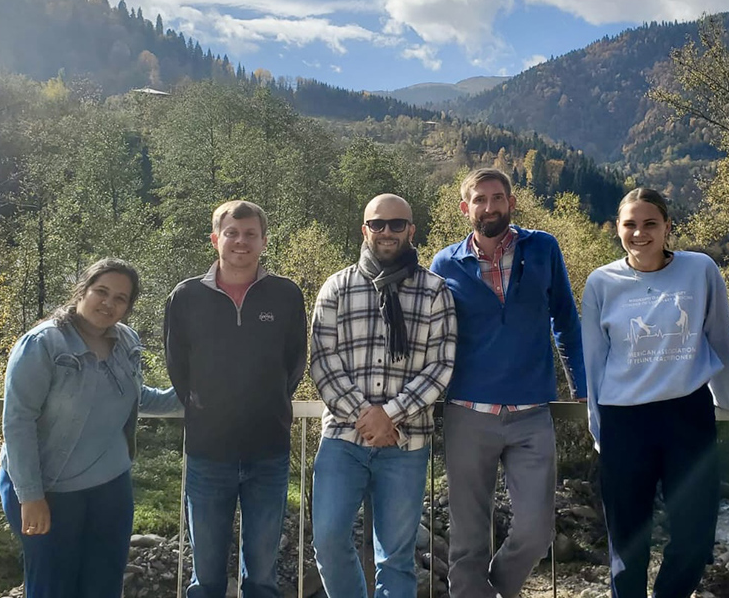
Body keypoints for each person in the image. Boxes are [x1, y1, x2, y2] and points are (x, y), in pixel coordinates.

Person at [429, 168, 586, 598]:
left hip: (531, 413)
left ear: (511, 202)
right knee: (467, 539)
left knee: (536, 531)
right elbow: (429, 335)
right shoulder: (444, 263)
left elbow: (566, 321)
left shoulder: (543, 248)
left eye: (498, 198)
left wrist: (582, 385)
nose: (490, 207)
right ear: (466, 208)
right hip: (467, 414)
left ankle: (494, 590)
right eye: (480, 200)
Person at [581, 187, 729, 598]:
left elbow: (719, 341)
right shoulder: (601, 282)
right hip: (624, 420)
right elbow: (594, 362)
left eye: (650, 223)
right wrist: (600, 432)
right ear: (616, 228)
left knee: (695, 537)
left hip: (687, 416)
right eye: (630, 224)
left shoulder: (700, 270)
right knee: (627, 545)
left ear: (668, 227)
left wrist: (728, 401)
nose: (640, 233)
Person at [0, 258, 179, 598]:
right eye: (102, 291)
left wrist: (198, 395)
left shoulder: (126, 340)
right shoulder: (42, 344)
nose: (109, 303)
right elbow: (17, 421)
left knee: (104, 585)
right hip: (49, 489)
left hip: (110, 488)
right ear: (82, 290)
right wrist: (31, 496)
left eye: (121, 298)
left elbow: (137, 397)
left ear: (128, 307)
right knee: (52, 586)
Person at [310, 193, 457, 598]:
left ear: (411, 229)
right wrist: (366, 414)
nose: (387, 231)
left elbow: (441, 367)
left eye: (397, 224)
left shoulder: (435, 291)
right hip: (342, 440)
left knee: (396, 557)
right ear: (365, 230)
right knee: (327, 541)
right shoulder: (337, 288)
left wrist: (389, 414)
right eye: (378, 224)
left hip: (407, 444)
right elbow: (322, 361)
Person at [164, 200, 308, 598]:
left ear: (263, 241)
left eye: (250, 234)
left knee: (262, 576)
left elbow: (295, 363)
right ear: (216, 239)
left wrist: (267, 403)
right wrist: (209, 409)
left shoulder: (285, 294)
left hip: (269, 452)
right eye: (232, 233)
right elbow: (177, 366)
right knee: (206, 576)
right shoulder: (186, 296)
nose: (240, 241)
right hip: (208, 453)